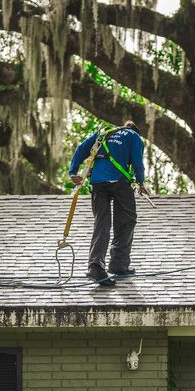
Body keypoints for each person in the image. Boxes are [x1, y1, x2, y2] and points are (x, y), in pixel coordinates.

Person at [68, 121, 147, 287]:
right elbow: (138, 164)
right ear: (135, 130)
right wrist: (140, 182)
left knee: (102, 224)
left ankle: (95, 266)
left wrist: (72, 172)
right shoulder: (134, 137)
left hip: (98, 182)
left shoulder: (104, 132)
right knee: (126, 221)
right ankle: (119, 265)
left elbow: (81, 149)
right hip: (119, 182)